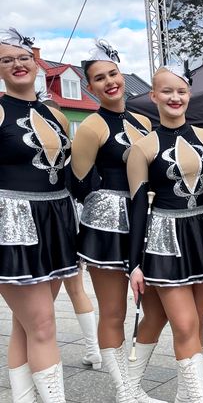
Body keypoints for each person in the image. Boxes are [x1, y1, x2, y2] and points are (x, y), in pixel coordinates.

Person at [70, 40, 163, 403]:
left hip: (147, 219)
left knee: (155, 308)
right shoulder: (91, 127)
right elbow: (78, 183)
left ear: (121, 75)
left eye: (113, 74)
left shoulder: (143, 121)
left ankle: (133, 383)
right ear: (90, 87)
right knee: (114, 311)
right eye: (99, 78)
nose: (109, 82)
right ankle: (125, 391)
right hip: (107, 226)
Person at [128, 63, 203, 402]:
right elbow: (138, 207)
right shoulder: (143, 147)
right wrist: (133, 264)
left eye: (181, 91)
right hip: (165, 240)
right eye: (166, 91)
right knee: (184, 324)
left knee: (193, 322)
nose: (174, 97)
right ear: (154, 96)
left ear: (190, 94)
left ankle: (180, 395)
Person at [0, 27, 79, 402]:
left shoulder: (57, 116)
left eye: (23, 57)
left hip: (56, 220)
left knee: (27, 325)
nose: (17, 64)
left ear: (36, 63)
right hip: (14, 223)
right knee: (43, 325)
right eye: (6, 60)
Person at [43, 98, 102, 372]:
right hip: (72, 221)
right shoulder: (73, 151)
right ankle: (93, 351)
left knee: (46, 295)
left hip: (52, 222)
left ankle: (42, 350)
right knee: (76, 289)